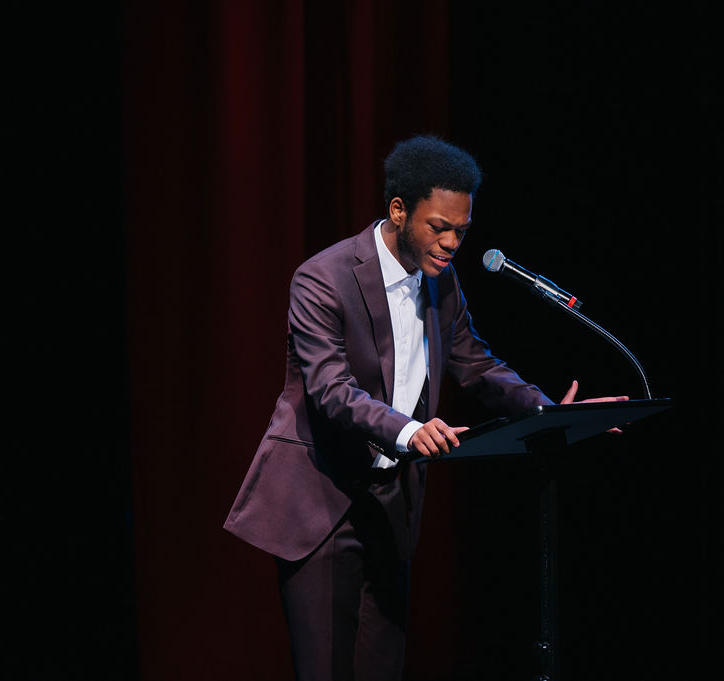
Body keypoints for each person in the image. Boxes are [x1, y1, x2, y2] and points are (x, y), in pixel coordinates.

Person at [223, 135, 627, 681]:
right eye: (439, 227)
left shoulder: (443, 282)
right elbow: (331, 389)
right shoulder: (323, 278)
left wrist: (548, 410)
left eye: (462, 230)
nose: (452, 242)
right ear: (399, 210)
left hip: (391, 504)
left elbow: (475, 363)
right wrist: (409, 430)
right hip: (322, 500)